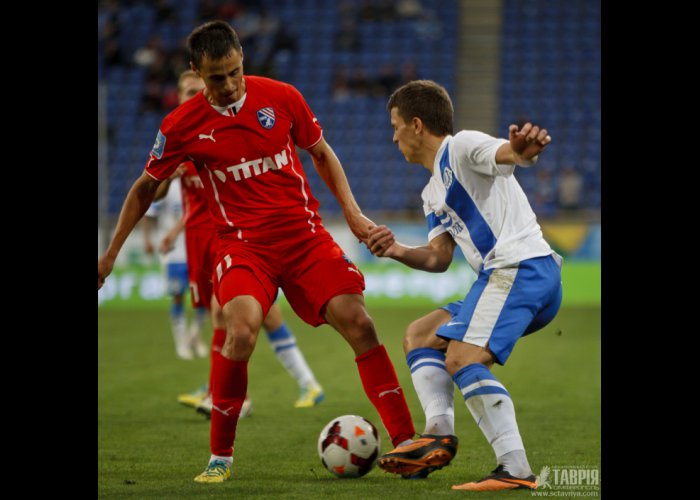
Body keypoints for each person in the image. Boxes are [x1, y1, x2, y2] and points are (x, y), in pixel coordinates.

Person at [97, 21, 419, 484]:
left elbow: (321, 153)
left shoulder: (282, 96)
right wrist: (110, 255)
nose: (227, 85)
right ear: (195, 72)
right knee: (241, 330)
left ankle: (407, 443)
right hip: (243, 247)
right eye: (215, 78)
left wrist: (351, 213)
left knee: (359, 322)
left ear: (242, 57)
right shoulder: (182, 125)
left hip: (305, 238)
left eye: (233, 72)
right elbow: (145, 187)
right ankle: (220, 457)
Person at [367, 80, 562, 491]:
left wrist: (521, 152)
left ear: (417, 125)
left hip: (521, 267)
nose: (393, 135)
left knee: (460, 358)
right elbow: (439, 258)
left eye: (396, 124)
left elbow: (503, 154)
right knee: (420, 336)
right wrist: (395, 250)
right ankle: (437, 432)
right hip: (501, 277)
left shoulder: (461, 146)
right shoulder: (431, 191)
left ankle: (515, 469)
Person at [165, 70, 325, 413]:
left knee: (236, 315)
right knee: (232, 318)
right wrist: (174, 229)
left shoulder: (222, 133)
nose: (191, 97)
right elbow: (158, 188)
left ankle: (238, 394)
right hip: (201, 242)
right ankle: (224, 388)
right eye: (185, 92)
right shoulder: (183, 134)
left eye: (196, 90)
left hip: (236, 241)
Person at [141, 177, 209, 360]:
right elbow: (149, 212)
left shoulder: (197, 182)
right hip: (173, 253)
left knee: (203, 298)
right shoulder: (167, 187)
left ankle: (193, 337)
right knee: (178, 296)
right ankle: (181, 343)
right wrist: (146, 239)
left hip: (197, 248)